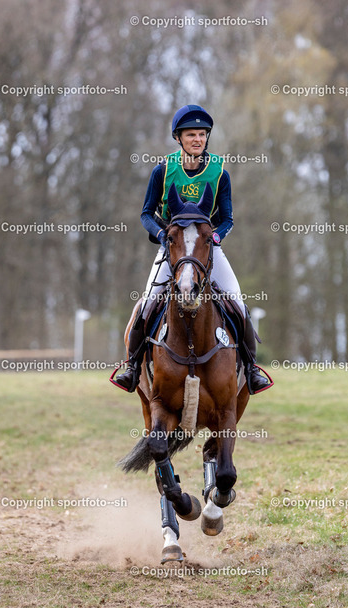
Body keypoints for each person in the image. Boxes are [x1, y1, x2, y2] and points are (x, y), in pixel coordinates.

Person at [114, 104, 271, 395]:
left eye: (202, 134)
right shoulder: (163, 170)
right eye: (191, 135)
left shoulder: (219, 173)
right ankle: (133, 367)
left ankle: (251, 369)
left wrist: (215, 238)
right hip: (172, 247)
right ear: (178, 138)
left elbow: (227, 219)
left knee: (237, 302)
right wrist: (162, 235)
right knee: (148, 302)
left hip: (206, 249)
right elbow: (146, 214)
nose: (197, 139)